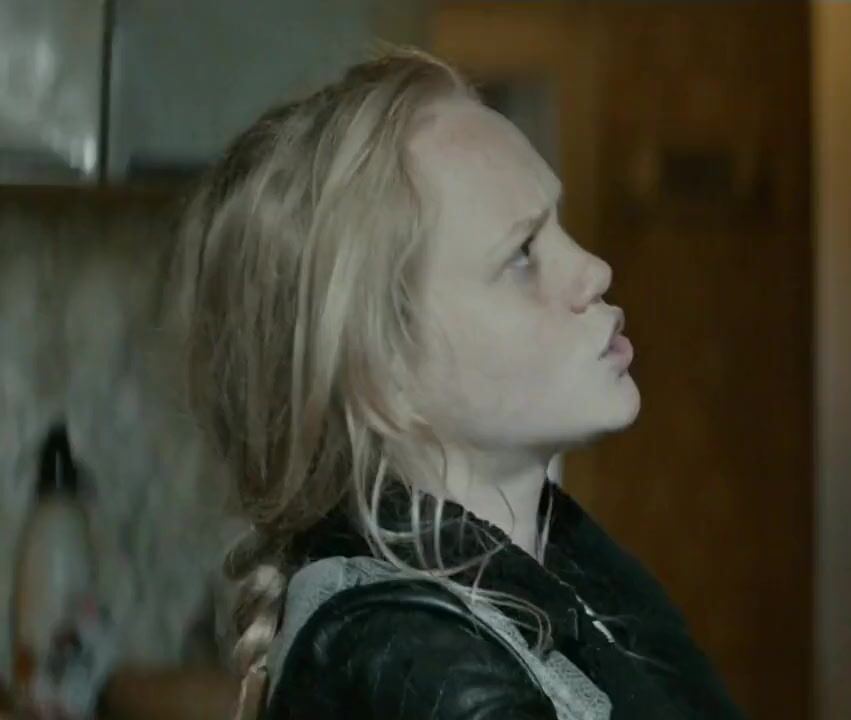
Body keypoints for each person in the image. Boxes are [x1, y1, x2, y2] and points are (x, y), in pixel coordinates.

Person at [14, 47, 741, 720]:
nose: (594, 270)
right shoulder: (411, 662)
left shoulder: (561, 565)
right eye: (522, 254)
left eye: (558, 226)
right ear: (383, 369)